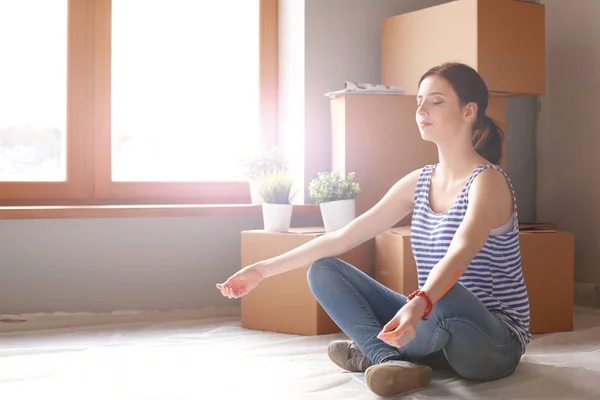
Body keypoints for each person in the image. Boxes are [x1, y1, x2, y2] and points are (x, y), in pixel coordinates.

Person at [216, 62, 530, 398]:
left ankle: (375, 349)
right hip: (434, 321)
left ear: (469, 111)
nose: (422, 110)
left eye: (435, 101)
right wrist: (263, 270)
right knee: (324, 270)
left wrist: (420, 301)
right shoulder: (419, 182)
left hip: (492, 343)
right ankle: (388, 361)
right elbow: (343, 237)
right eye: (419, 101)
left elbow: (460, 253)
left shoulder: (488, 182)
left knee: (445, 294)